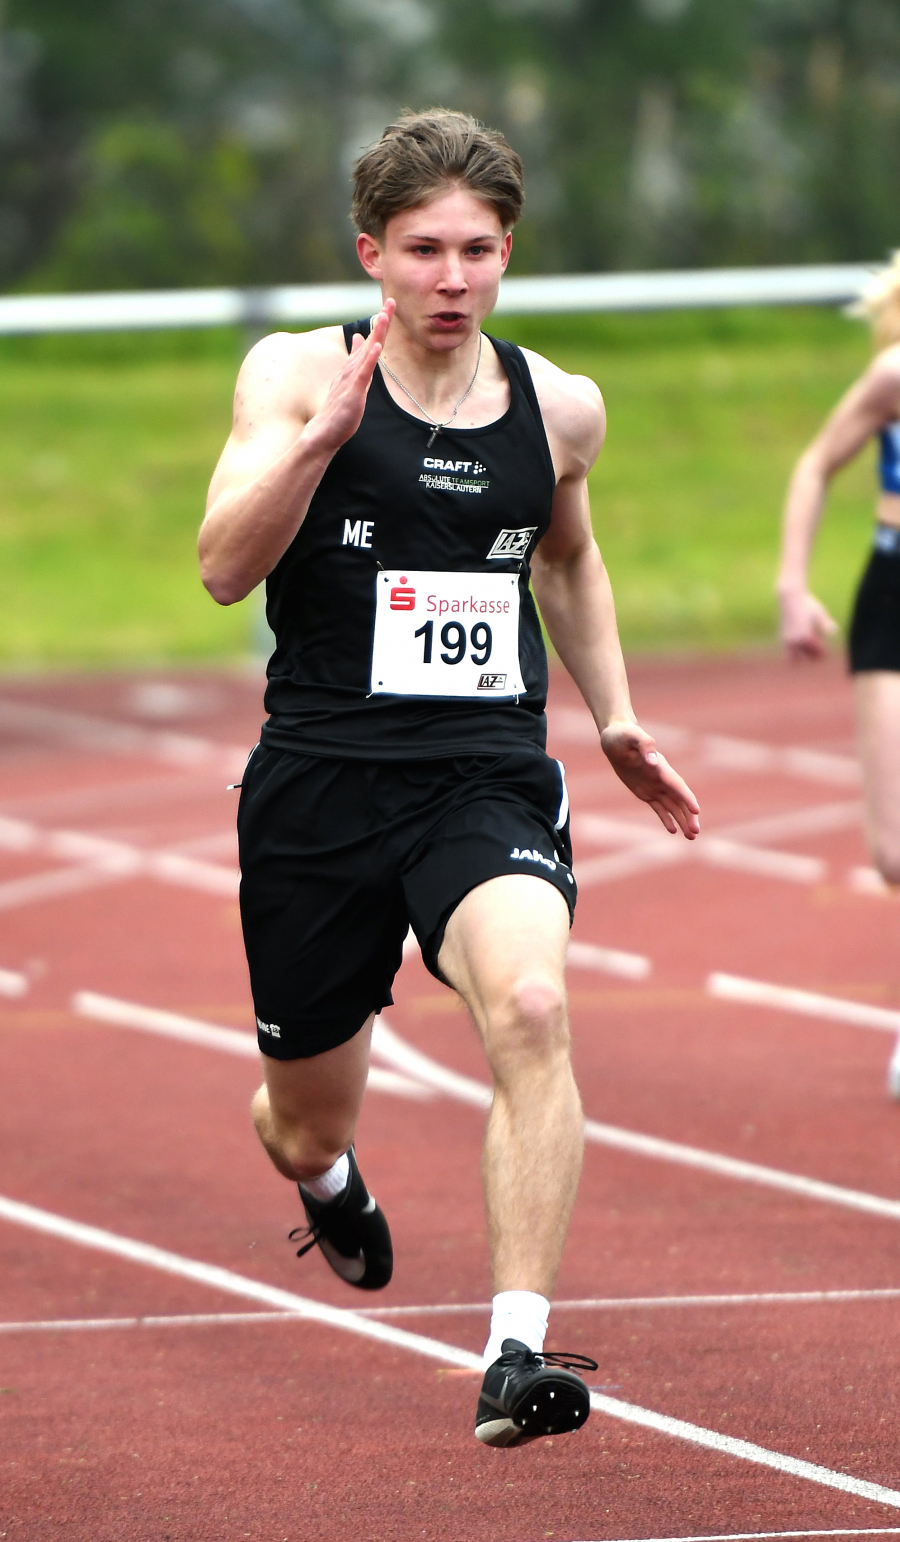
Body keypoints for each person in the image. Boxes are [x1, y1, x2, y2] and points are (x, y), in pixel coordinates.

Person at [200, 108, 700, 1446]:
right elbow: (220, 567)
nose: (453, 277)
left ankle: (514, 1350)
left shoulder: (561, 405)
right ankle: (331, 1174)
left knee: (533, 1001)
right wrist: (319, 445)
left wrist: (615, 714)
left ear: (508, 254)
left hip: (480, 774)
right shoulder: (297, 376)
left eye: (478, 249)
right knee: (303, 1121)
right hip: (319, 782)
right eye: (423, 249)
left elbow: (569, 557)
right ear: (373, 253)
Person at [778, 255, 900, 889]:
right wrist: (792, 586)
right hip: (892, 591)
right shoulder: (894, 375)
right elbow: (816, 465)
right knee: (895, 855)